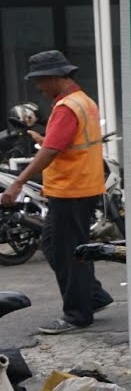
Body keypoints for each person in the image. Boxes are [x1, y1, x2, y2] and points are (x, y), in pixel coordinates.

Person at [1, 51, 113, 334]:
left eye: (40, 81)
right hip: (81, 186)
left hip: (71, 189)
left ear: (53, 77)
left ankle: (77, 314)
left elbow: (51, 151)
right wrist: (42, 137)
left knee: (66, 252)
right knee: (55, 245)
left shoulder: (66, 107)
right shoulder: (83, 101)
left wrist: (18, 183)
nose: (39, 87)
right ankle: (94, 297)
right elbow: (64, 143)